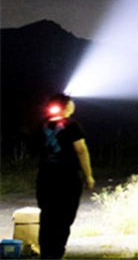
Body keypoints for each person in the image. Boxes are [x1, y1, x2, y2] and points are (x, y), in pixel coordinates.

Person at [36, 94, 95, 259]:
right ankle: (56, 253)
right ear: (67, 106)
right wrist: (88, 175)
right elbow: (81, 150)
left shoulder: (42, 125)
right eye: (72, 103)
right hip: (67, 178)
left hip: (45, 177)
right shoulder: (72, 125)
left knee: (47, 216)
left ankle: (47, 254)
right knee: (64, 217)